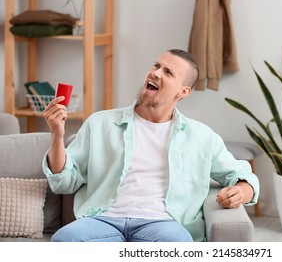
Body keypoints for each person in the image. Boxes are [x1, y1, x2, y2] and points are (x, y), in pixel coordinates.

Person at [42, 48, 260, 242]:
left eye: (168, 72)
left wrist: (241, 191)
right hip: (103, 221)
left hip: (162, 225)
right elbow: (64, 182)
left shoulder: (202, 137)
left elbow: (243, 175)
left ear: (183, 91)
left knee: (177, 244)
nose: (156, 73)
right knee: (65, 239)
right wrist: (57, 135)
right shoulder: (100, 123)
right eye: (157, 66)